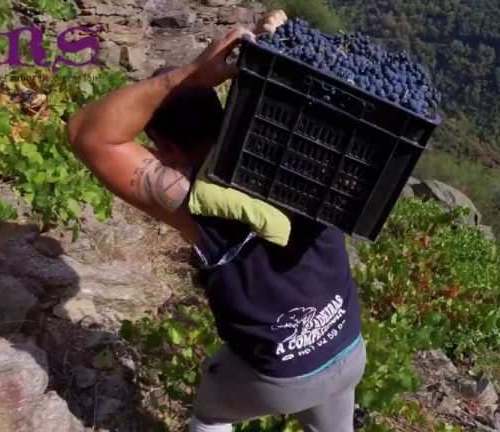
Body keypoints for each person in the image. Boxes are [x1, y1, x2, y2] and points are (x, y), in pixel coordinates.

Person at [66, 11, 366, 432]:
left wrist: (189, 74)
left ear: (164, 146)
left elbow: (85, 133)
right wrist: (267, 48)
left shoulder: (192, 198)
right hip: (349, 347)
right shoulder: (301, 158)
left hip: (280, 377)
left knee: (211, 414)